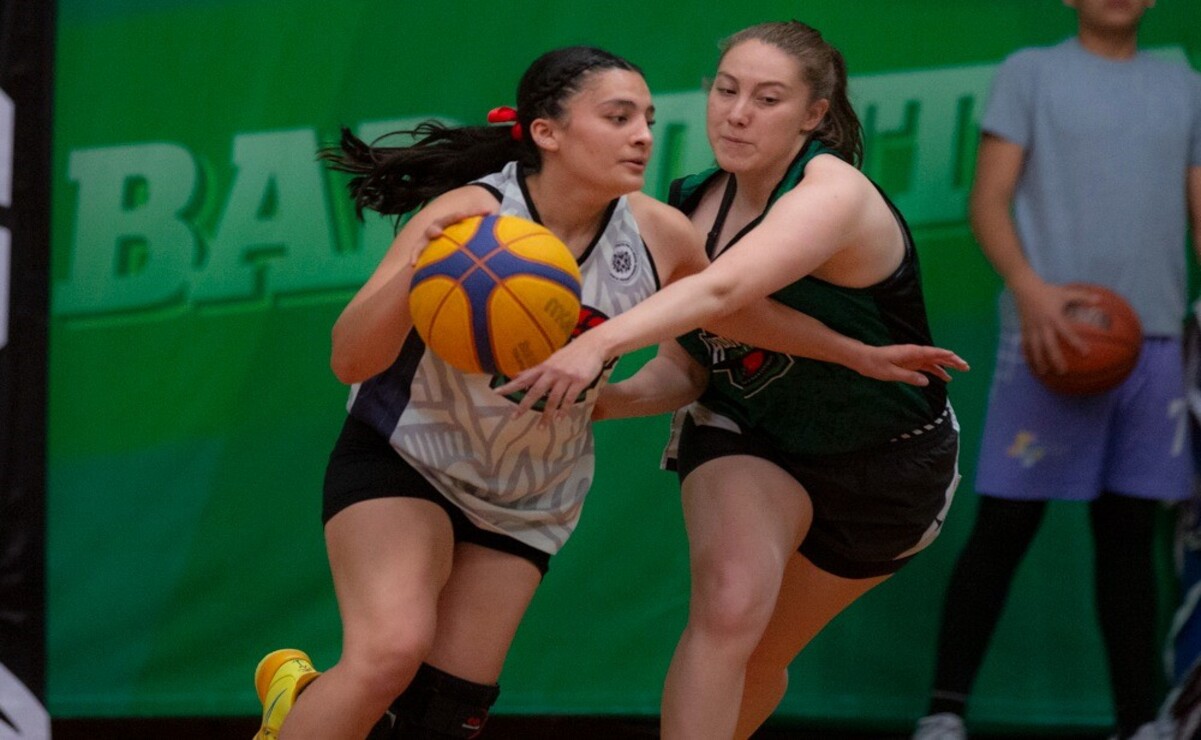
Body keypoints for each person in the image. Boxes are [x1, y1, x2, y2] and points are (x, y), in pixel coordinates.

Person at [250, 45, 966, 740]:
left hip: (529, 492)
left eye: (649, 118)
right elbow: (351, 359)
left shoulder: (658, 232)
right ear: (547, 133)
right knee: (389, 653)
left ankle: (306, 701)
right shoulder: (472, 213)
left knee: (445, 711)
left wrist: (853, 352)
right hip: (408, 455)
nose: (644, 136)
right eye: (619, 117)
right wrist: (418, 266)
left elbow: (729, 314)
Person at [496, 20, 964, 740]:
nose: (737, 113)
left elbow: (723, 294)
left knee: (763, 655)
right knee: (729, 607)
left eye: (767, 98)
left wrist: (594, 349)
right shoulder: (689, 204)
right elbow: (687, 368)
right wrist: (599, 402)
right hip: (749, 435)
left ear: (812, 114)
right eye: (726, 90)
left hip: (889, 461)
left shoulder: (831, 193)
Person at [910, 1, 1201, 739]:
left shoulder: (1184, 84)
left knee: (1129, 533)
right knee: (1005, 525)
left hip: (1155, 340)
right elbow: (987, 199)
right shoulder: (1030, 73)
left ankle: (1140, 721)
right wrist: (1032, 293)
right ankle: (943, 713)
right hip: (1049, 337)